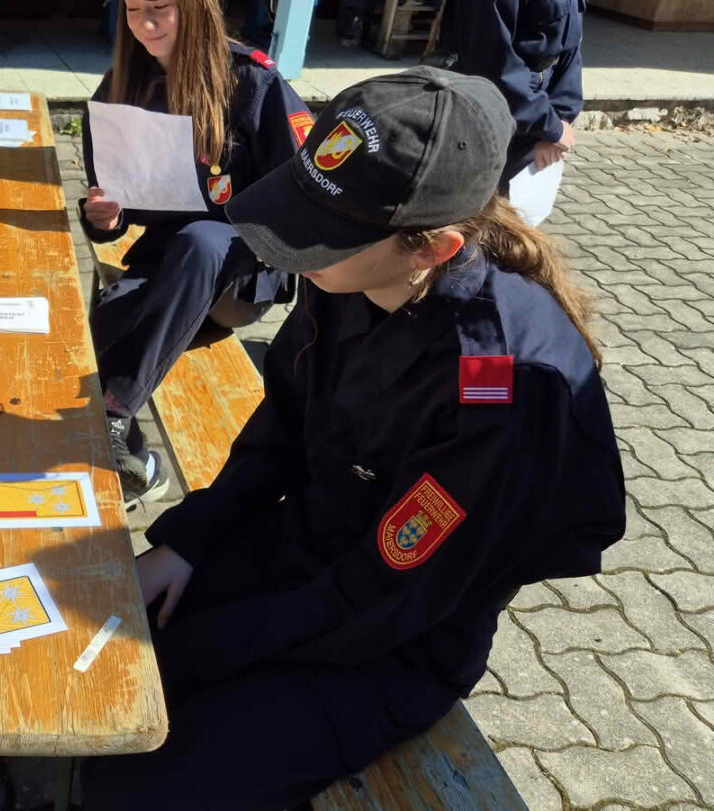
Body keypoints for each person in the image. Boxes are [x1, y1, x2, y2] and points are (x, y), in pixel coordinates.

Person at [83, 67, 625, 808]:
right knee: (108, 653)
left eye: (319, 235)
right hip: (308, 548)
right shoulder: (353, 275)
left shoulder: (502, 384)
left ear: (430, 249)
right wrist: (191, 538)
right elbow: (283, 421)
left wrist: (213, 644)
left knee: (147, 772)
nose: (286, 248)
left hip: (390, 639)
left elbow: (388, 590)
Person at [79, 0, 313, 505]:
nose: (146, 22)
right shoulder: (122, 86)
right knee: (107, 316)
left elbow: (306, 187)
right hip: (165, 263)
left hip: (242, 267)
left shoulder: (253, 81)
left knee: (200, 240)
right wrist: (105, 217)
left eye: (161, 6)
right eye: (135, 9)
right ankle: (135, 463)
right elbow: (112, 204)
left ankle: (114, 417)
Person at [443, 0, 583, 224]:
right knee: (472, 221)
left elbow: (570, 52)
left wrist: (560, 119)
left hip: (538, 116)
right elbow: (492, 64)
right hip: (491, 111)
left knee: (512, 225)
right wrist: (550, 127)